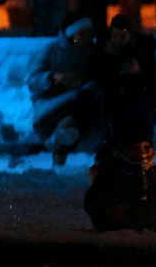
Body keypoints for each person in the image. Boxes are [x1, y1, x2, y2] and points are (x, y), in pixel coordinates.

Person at [28, 16, 104, 166]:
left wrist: (85, 81)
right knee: (74, 116)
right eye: (81, 34)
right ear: (71, 35)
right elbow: (32, 80)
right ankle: (60, 135)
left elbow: (102, 80)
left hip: (83, 107)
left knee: (79, 109)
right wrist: (55, 78)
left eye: (88, 33)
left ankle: (58, 138)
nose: (86, 38)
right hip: (52, 107)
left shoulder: (94, 53)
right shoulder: (52, 50)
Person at [83, 101, 156, 232]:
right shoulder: (112, 172)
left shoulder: (155, 172)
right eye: (132, 148)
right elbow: (94, 199)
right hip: (125, 237)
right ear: (120, 149)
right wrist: (110, 211)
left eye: (146, 147)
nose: (141, 153)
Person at [96, 13, 156, 128]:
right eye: (115, 36)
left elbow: (153, 81)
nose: (118, 40)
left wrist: (138, 73)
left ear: (130, 35)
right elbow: (99, 79)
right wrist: (116, 70)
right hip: (114, 102)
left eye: (123, 36)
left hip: (140, 101)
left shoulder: (143, 50)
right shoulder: (104, 50)